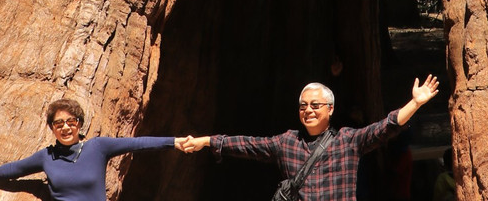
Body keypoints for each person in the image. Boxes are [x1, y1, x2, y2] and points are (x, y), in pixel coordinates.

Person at [177, 75, 439, 201]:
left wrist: (414, 104)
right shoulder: (287, 142)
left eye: (315, 105)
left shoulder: (348, 141)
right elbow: (248, 145)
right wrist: (207, 141)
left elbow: (385, 128)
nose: (308, 110)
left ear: (330, 109)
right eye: (303, 106)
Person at [0, 98, 178, 201]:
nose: (65, 127)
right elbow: (16, 169)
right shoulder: (46, 156)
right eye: (59, 124)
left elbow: (138, 144)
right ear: (52, 128)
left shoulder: (98, 147)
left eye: (71, 121)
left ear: (79, 123)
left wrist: (175, 142)